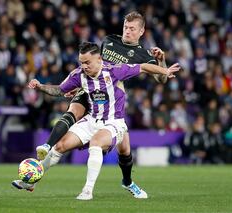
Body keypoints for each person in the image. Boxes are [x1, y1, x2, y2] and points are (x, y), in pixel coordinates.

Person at [13, 42, 180, 200]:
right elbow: (59, 90)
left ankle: (87, 190)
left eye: (87, 62)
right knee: (60, 146)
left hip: (114, 122)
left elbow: (143, 67)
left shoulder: (114, 71)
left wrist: (164, 71)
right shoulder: (79, 75)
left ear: (99, 59)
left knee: (97, 142)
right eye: (81, 62)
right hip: (91, 120)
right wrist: (40, 86)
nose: (84, 66)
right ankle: (30, 181)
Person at [35, 11, 168, 197]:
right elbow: (92, 60)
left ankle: (127, 182)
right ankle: (46, 151)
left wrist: (161, 60)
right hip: (90, 88)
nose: (127, 32)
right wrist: (82, 82)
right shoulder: (110, 40)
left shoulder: (144, 54)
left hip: (112, 98)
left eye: (132, 29)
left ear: (141, 31)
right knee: (73, 111)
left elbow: (161, 79)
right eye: (125, 27)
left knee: (124, 148)